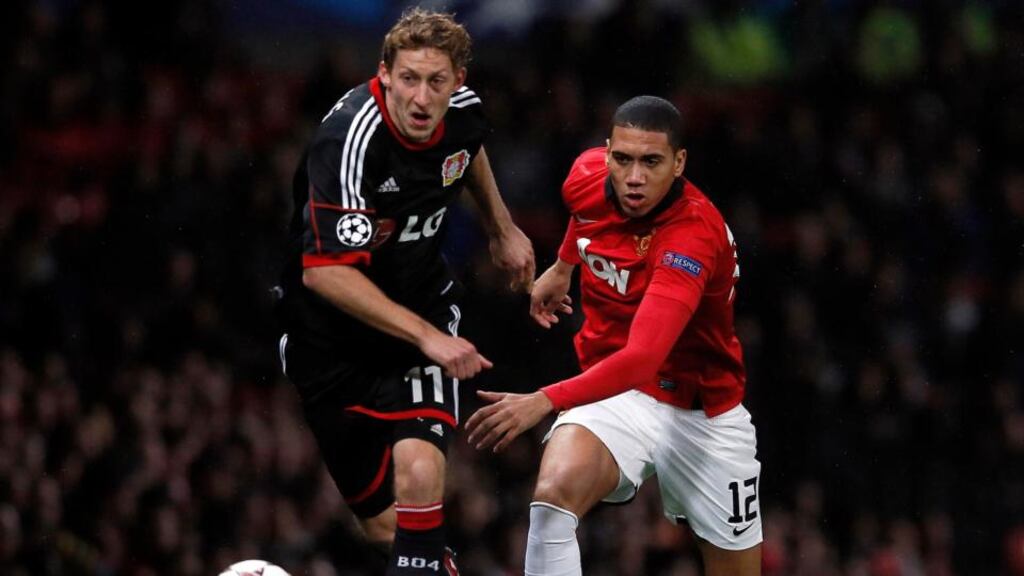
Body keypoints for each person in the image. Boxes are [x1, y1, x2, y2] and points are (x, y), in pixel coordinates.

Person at [275, 8, 534, 575]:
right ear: (385, 74)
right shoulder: (348, 140)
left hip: (423, 307)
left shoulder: (463, 112)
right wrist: (429, 339)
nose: (422, 97)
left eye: (437, 81)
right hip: (331, 338)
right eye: (410, 79)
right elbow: (325, 272)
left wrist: (500, 226)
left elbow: (469, 150)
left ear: (457, 81)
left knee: (419, 475)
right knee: (380, 523)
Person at [466, 95, 762, 575]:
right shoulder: (587, 175)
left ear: (679, 162)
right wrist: (564, 266)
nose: (634, 177)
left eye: (652, 162)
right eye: (622, 159)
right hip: (618, 393)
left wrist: (544, 400)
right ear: (606, 154)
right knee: (552, 495)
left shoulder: (690, 236)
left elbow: (644, 356)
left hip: (702, 412)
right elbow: (586, 216)